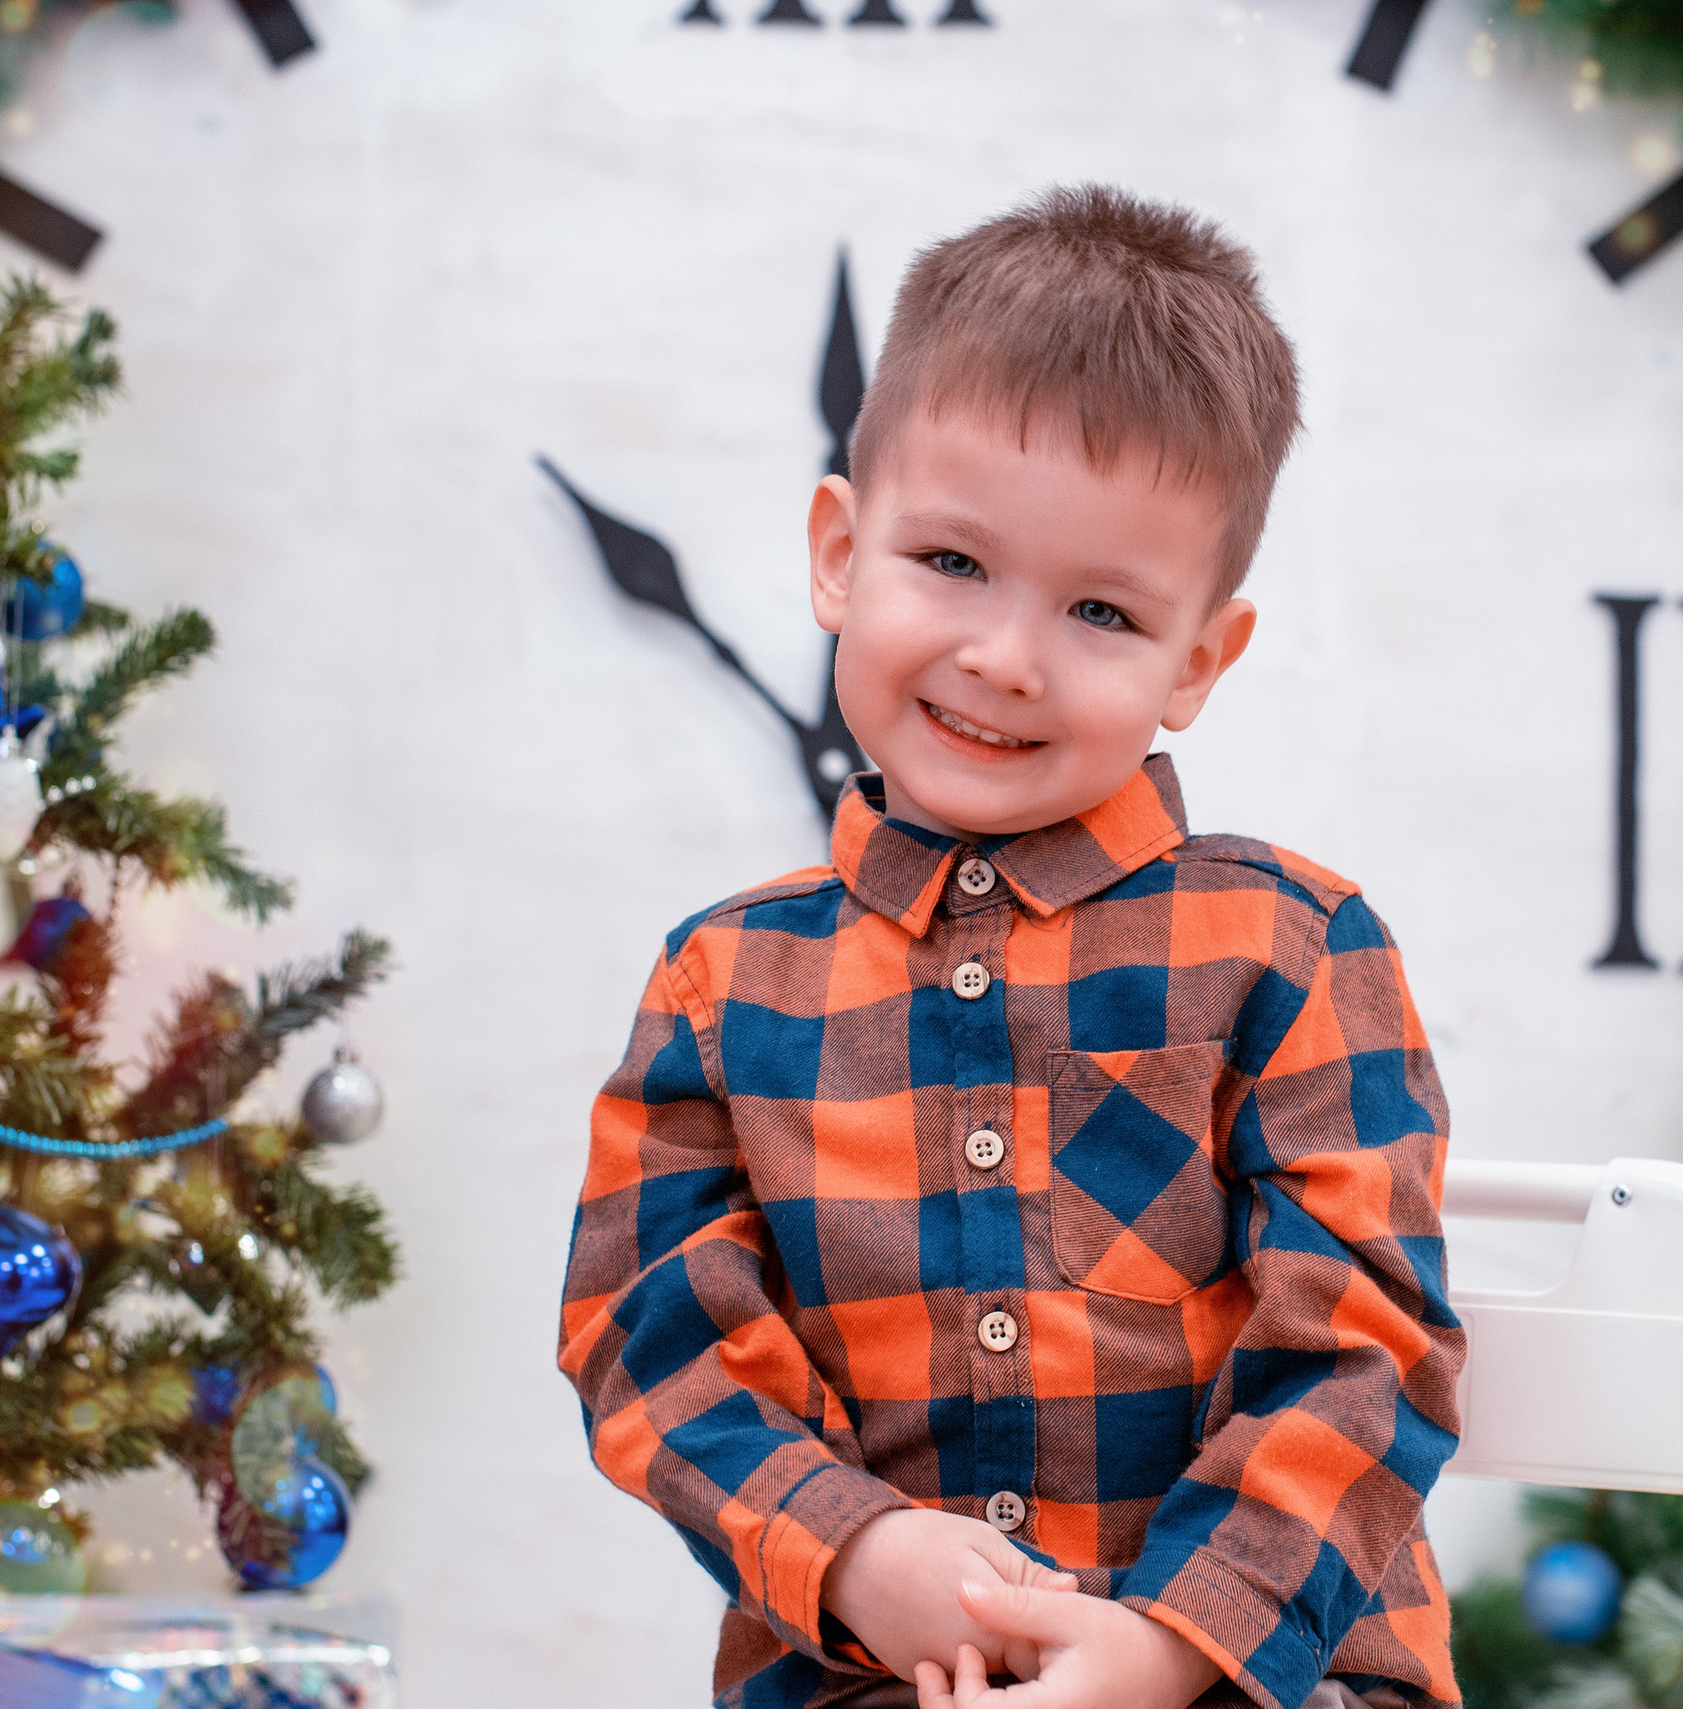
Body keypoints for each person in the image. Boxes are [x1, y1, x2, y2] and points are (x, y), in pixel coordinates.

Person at [557, 185, 1464, 1709]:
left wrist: (1167, 1643)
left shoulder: (1292, 947)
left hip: (1257, 1679)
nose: (1005, 657)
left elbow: (1363, 1347)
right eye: (953, 565)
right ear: (840, 552)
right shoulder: (723, 986)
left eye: (1102, 609)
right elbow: (654, 1341)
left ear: (1199, 661)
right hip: (870, 1673)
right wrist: (854, 1554)